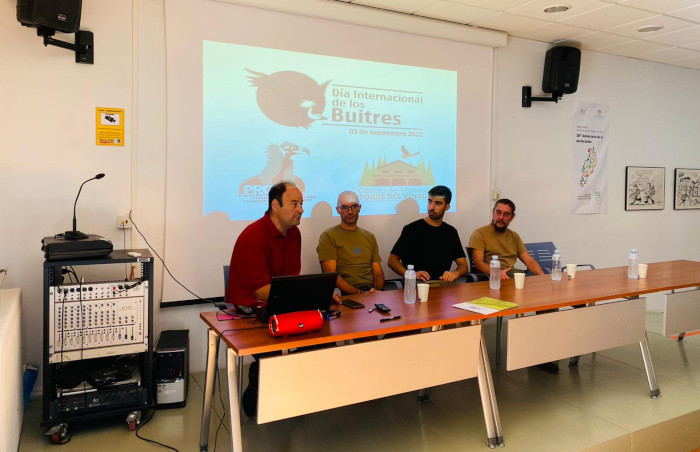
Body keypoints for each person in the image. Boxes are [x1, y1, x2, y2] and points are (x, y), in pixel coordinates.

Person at [225, 181, 303, 308]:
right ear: (275, 205)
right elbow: (260, 292)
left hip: (282, 304)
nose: (301, 210)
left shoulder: (294, 233)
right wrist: (306, 293)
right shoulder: (253, 236)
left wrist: (317, 293)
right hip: (251, 312)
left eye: (301, 204)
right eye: (294, 204)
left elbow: (291, 279)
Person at [388, 185, 468, 283]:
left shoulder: (451, 232)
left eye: (438, 203)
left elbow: (463, 266)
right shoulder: (411, 229)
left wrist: (455, 273)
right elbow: (392, 261)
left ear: (447, 207)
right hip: (417, 284)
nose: (431, 207)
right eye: (430, 202)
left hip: (442, 286)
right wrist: (411, 274)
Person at [317, 191, 385, 295]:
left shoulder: (369, 237)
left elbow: (377, 273)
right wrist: (360, 293)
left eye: (354, 206)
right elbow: (331, 275)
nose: (350, 211)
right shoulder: (329, 236)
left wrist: (377, 293)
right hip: (344, 295)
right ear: (338, 210)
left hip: (370, 292)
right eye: (344, 207)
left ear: (359, 208)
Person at [468, 198, 543, 279]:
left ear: (512, 217)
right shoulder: (480, 233)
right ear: (493, 212)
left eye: (506, 214)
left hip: (510, 275)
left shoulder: (514, 236)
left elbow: (529, 261)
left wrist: (543, 278)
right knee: (520, 277)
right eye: (498, 212)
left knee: (531, 281)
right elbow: (478, 262)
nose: (501, 217)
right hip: (491, 277)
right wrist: (498, 273)